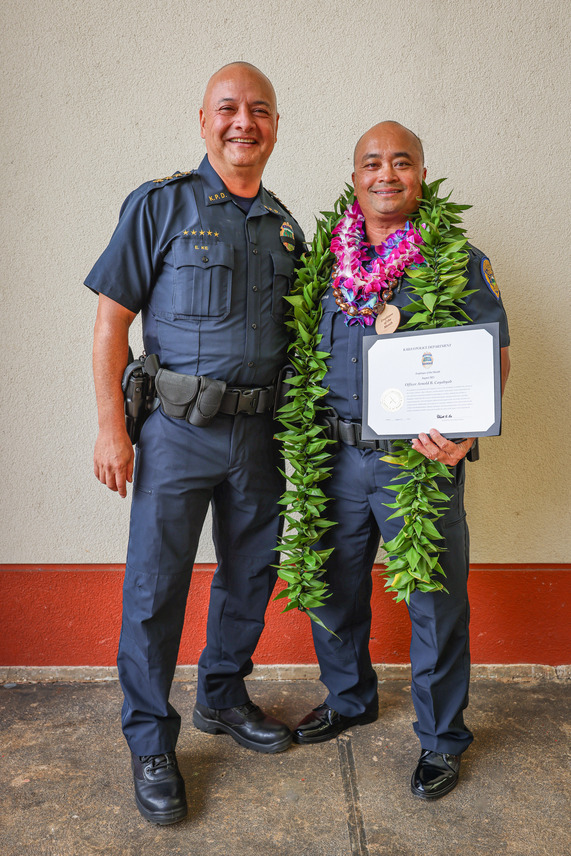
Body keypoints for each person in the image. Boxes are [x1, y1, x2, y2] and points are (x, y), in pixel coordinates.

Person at [85, 62, 304, 825]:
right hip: (176, 432)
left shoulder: (286, 225)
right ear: (203, 119)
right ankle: (150, 739)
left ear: (275, 125)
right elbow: (112, 321)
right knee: (155, 589)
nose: (244, 122)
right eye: (228, 109)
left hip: (258, 436)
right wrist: (113, 427)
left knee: (250, 575)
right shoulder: (161, 205)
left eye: (260, 111)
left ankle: (221, 694)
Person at [292, 121, 510, 800]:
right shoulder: (324, 264)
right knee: (332, 587)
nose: (385, 174)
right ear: (353, 176)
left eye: (401, 163)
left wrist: (466, 434)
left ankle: (442, 739)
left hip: (417, 463)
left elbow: (492, 354)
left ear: (421, 174)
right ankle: (349, 697)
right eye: (371, 163)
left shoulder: (455, 258)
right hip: (333, 454)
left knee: (434, 603)